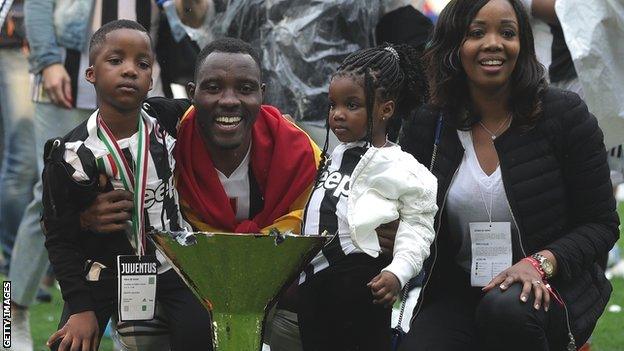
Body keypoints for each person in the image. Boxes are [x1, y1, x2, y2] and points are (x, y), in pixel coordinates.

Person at [397, 0, 618, 350]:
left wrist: (541, 262)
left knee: (506, 311)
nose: (494, 43)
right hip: (458, 289)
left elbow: (601, 224)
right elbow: (407, 213)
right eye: (476, 33)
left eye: (508, 32)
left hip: (547, 288)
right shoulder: (428, 124)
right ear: (455, 44)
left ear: (523, 44)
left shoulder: (564, 115)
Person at [9, 2, 210, 349]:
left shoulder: (170, 120)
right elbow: (57, 233)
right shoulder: (70, 153)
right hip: (101, 268)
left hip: (174, 265)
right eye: (116, 62)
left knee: (205, 334)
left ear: (152, 77)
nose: (130, 71)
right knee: (69, 340)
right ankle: (12, 310)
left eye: (142, 64)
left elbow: (218, 102)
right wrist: (81, 307)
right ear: (92, 74)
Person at [297, 44, 437, 351]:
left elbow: (417, 230)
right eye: (333, 105)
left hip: (361, 285)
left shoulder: (405, 169)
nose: (338, 115)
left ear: (385, 109)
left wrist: (397, 272)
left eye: (352, 105)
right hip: (313, 285)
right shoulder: (334, 155)